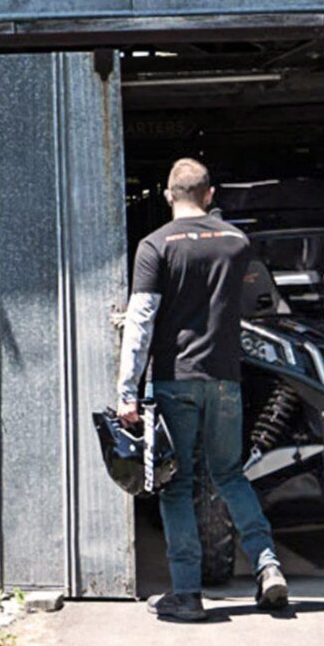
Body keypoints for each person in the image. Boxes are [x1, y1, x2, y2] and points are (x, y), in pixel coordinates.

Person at [117, 158, 288, 622]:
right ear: (210, 195)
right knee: (230, 475)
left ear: (168, 196)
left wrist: (127, 390)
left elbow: (141, 321)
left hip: (175, 379)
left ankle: (188, 594)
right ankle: (267, 566)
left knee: (177, 484)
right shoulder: (237, 242)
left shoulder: (155, 246)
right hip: (225, 379)